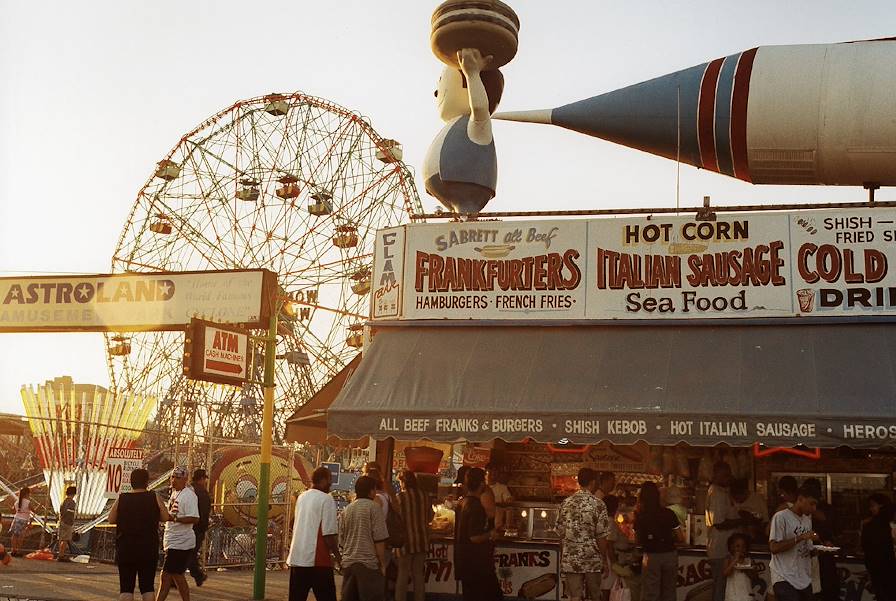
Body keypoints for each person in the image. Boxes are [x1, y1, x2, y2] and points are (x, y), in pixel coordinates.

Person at [109, 468, 170, 601]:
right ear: (147, 482)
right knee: (147, 587)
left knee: (126, 588)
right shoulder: (154, 497)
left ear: (131, 482)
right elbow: (165, 517)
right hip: (148, 548)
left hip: (126, 548)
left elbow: (111, 519)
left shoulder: (122, 498)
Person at [286, 466, 341, 601]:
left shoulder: (302, 498)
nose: (330, 484)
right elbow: (328, 533)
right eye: (329, 480)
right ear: (323, 480)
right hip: (318, 560)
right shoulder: (326, 499)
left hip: (297, 558)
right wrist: (338, 556)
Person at [557, 467, 610, 601]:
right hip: (592, 559)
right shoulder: (598, 504)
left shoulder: (565, 503)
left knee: (575, 596)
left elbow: (561, 534)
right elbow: (601, 537)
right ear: (592, 482)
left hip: (571, 558)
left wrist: (565, 557)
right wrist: (604, 560)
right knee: (595, 595)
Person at [454, 467, 501, 601]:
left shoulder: (461, 503)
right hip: (477, 564)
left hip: (463, 562)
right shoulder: (476, 507)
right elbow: (474, 537)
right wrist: (490, 533)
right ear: (481, 484)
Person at [340, 475, 389, 601]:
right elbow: (379, 539)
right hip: (368, 564)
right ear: (371, 491)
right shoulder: (374, 508)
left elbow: (342, 539)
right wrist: (383, 564)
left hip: (349, 563)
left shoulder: (347, 510)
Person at [768, 483, 820, 601]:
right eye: (811, 503)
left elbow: (808, 550)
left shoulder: (807, 520)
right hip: (784, 576)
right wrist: (800, 537)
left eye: (816, 505)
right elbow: (774, 547)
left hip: (803, 577)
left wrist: (820, 550)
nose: (814, 508)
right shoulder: (781, 517)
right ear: (801, 499)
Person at [635, 481, 684, 601]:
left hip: (651, 557)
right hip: (669, 554)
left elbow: (637, 541)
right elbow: (681, 537)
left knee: (650, 593)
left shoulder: (641, 516)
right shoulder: (669, 513)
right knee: (669, 592)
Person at [158, 466, 200, 601]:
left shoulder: (189, 496)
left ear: (185, 479)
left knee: (167, 576)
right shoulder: (175, 493)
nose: (173, 480)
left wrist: (174, 519)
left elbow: (195, 518)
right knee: (176, 576)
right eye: (172, 477)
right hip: (172, 540)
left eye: (177, 478)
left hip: (180, 542)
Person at [706, 462, 743, 601]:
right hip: (719, 548)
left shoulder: (722, 492)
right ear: (716, 475)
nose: (729, 478)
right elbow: (720, 523)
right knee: (720, 588)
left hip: (722, 549)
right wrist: (741, 521)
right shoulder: (716, 493)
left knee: (724, 588)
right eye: (725, 475)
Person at [395, 470, 433, 601]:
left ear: (404, 482)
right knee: (418, 574)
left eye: (400, 482)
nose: (400, 484)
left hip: (405, 541)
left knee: (403, 574)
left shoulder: (399, 497)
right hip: (421, 540)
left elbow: (396, 518)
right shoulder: (425, 496)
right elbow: (431, 516)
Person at [802, 477, 838, 601]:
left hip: (824, 556)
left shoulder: (825, 509)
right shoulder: (798, 511)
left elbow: (827, 521)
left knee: (825, 589)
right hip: (807, 557)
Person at [861, 493, 896, 601]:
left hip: (880, 569)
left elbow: (867, 549)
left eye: (873, 505)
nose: (871, 508)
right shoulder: (884, 524)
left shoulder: (871, 525)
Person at [186, 469, 211, 587]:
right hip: (197, 527)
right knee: (190, 553)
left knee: (187, 553)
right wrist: (204, 527)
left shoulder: (188, 489)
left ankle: (176, 578)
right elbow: (204, 513)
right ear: (201, 479)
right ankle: (197, 575)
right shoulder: (203, 493)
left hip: (186, 525)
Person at [722, 533, 755, 601]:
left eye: (743, 546)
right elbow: (725, 574)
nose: (741, 549)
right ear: (732, 547)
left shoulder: (749, 560)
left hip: (746, 594)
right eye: (737, 546)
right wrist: (735, 561)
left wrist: (748, 570)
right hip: (732, 595)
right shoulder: (728, 559)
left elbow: (754, 577)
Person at [600, 495, 620, 601]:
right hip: (607, 560)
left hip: (602, 559)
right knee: (606, 589)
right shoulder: (610, 522)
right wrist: (614, 564)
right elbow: (609, 545)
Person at [486, 464, 513, 529]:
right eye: (490, 471)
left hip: (497, 526)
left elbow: (509, 502)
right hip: (481, 525)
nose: (493, 473)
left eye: (495, 472)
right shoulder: (481, 487)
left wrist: (509, 500)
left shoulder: (502, 488)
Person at [9, 486, 32, 557]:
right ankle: (18, 550)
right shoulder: (28, 502)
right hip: (24, 520)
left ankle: (13, 550)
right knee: (21, 536)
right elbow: (34, 510)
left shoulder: (17, 502)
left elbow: (13, 510)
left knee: (14, 535)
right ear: (27, 494)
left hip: (16, 518)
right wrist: (40, 506)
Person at [57, 486, 77, 562]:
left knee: (62, 539)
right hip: (67, 522)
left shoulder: (64, 501)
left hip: (62, 521)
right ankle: (61, 555)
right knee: (65, 539)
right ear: (74, 494)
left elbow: (62, 511)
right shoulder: (71, 502)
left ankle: (61, 553)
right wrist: (71, 522)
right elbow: (70, 513)